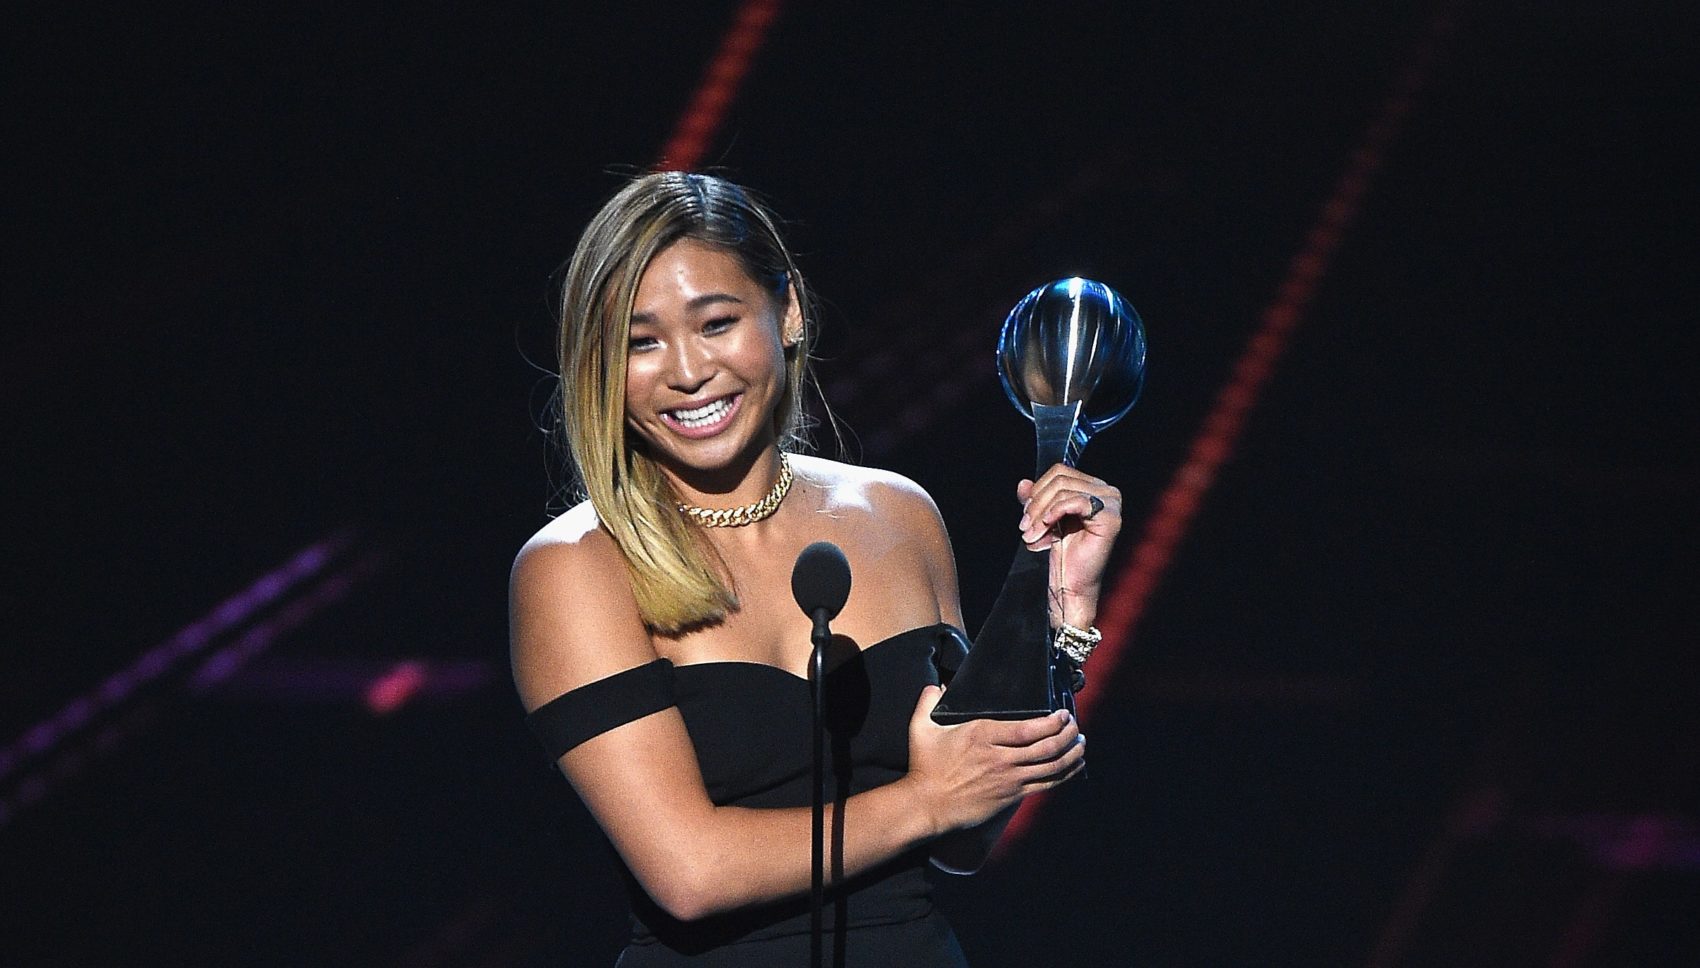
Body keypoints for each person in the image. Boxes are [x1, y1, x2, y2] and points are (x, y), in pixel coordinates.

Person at [510, 171, 1122, 967]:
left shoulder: (898, 517)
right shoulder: (575, 568)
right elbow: (688, 872)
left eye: (717, 322)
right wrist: (925, 800)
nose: (687, 370)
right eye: (640, 341)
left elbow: (968, 835)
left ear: (789, 311)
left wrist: (1059, 620)